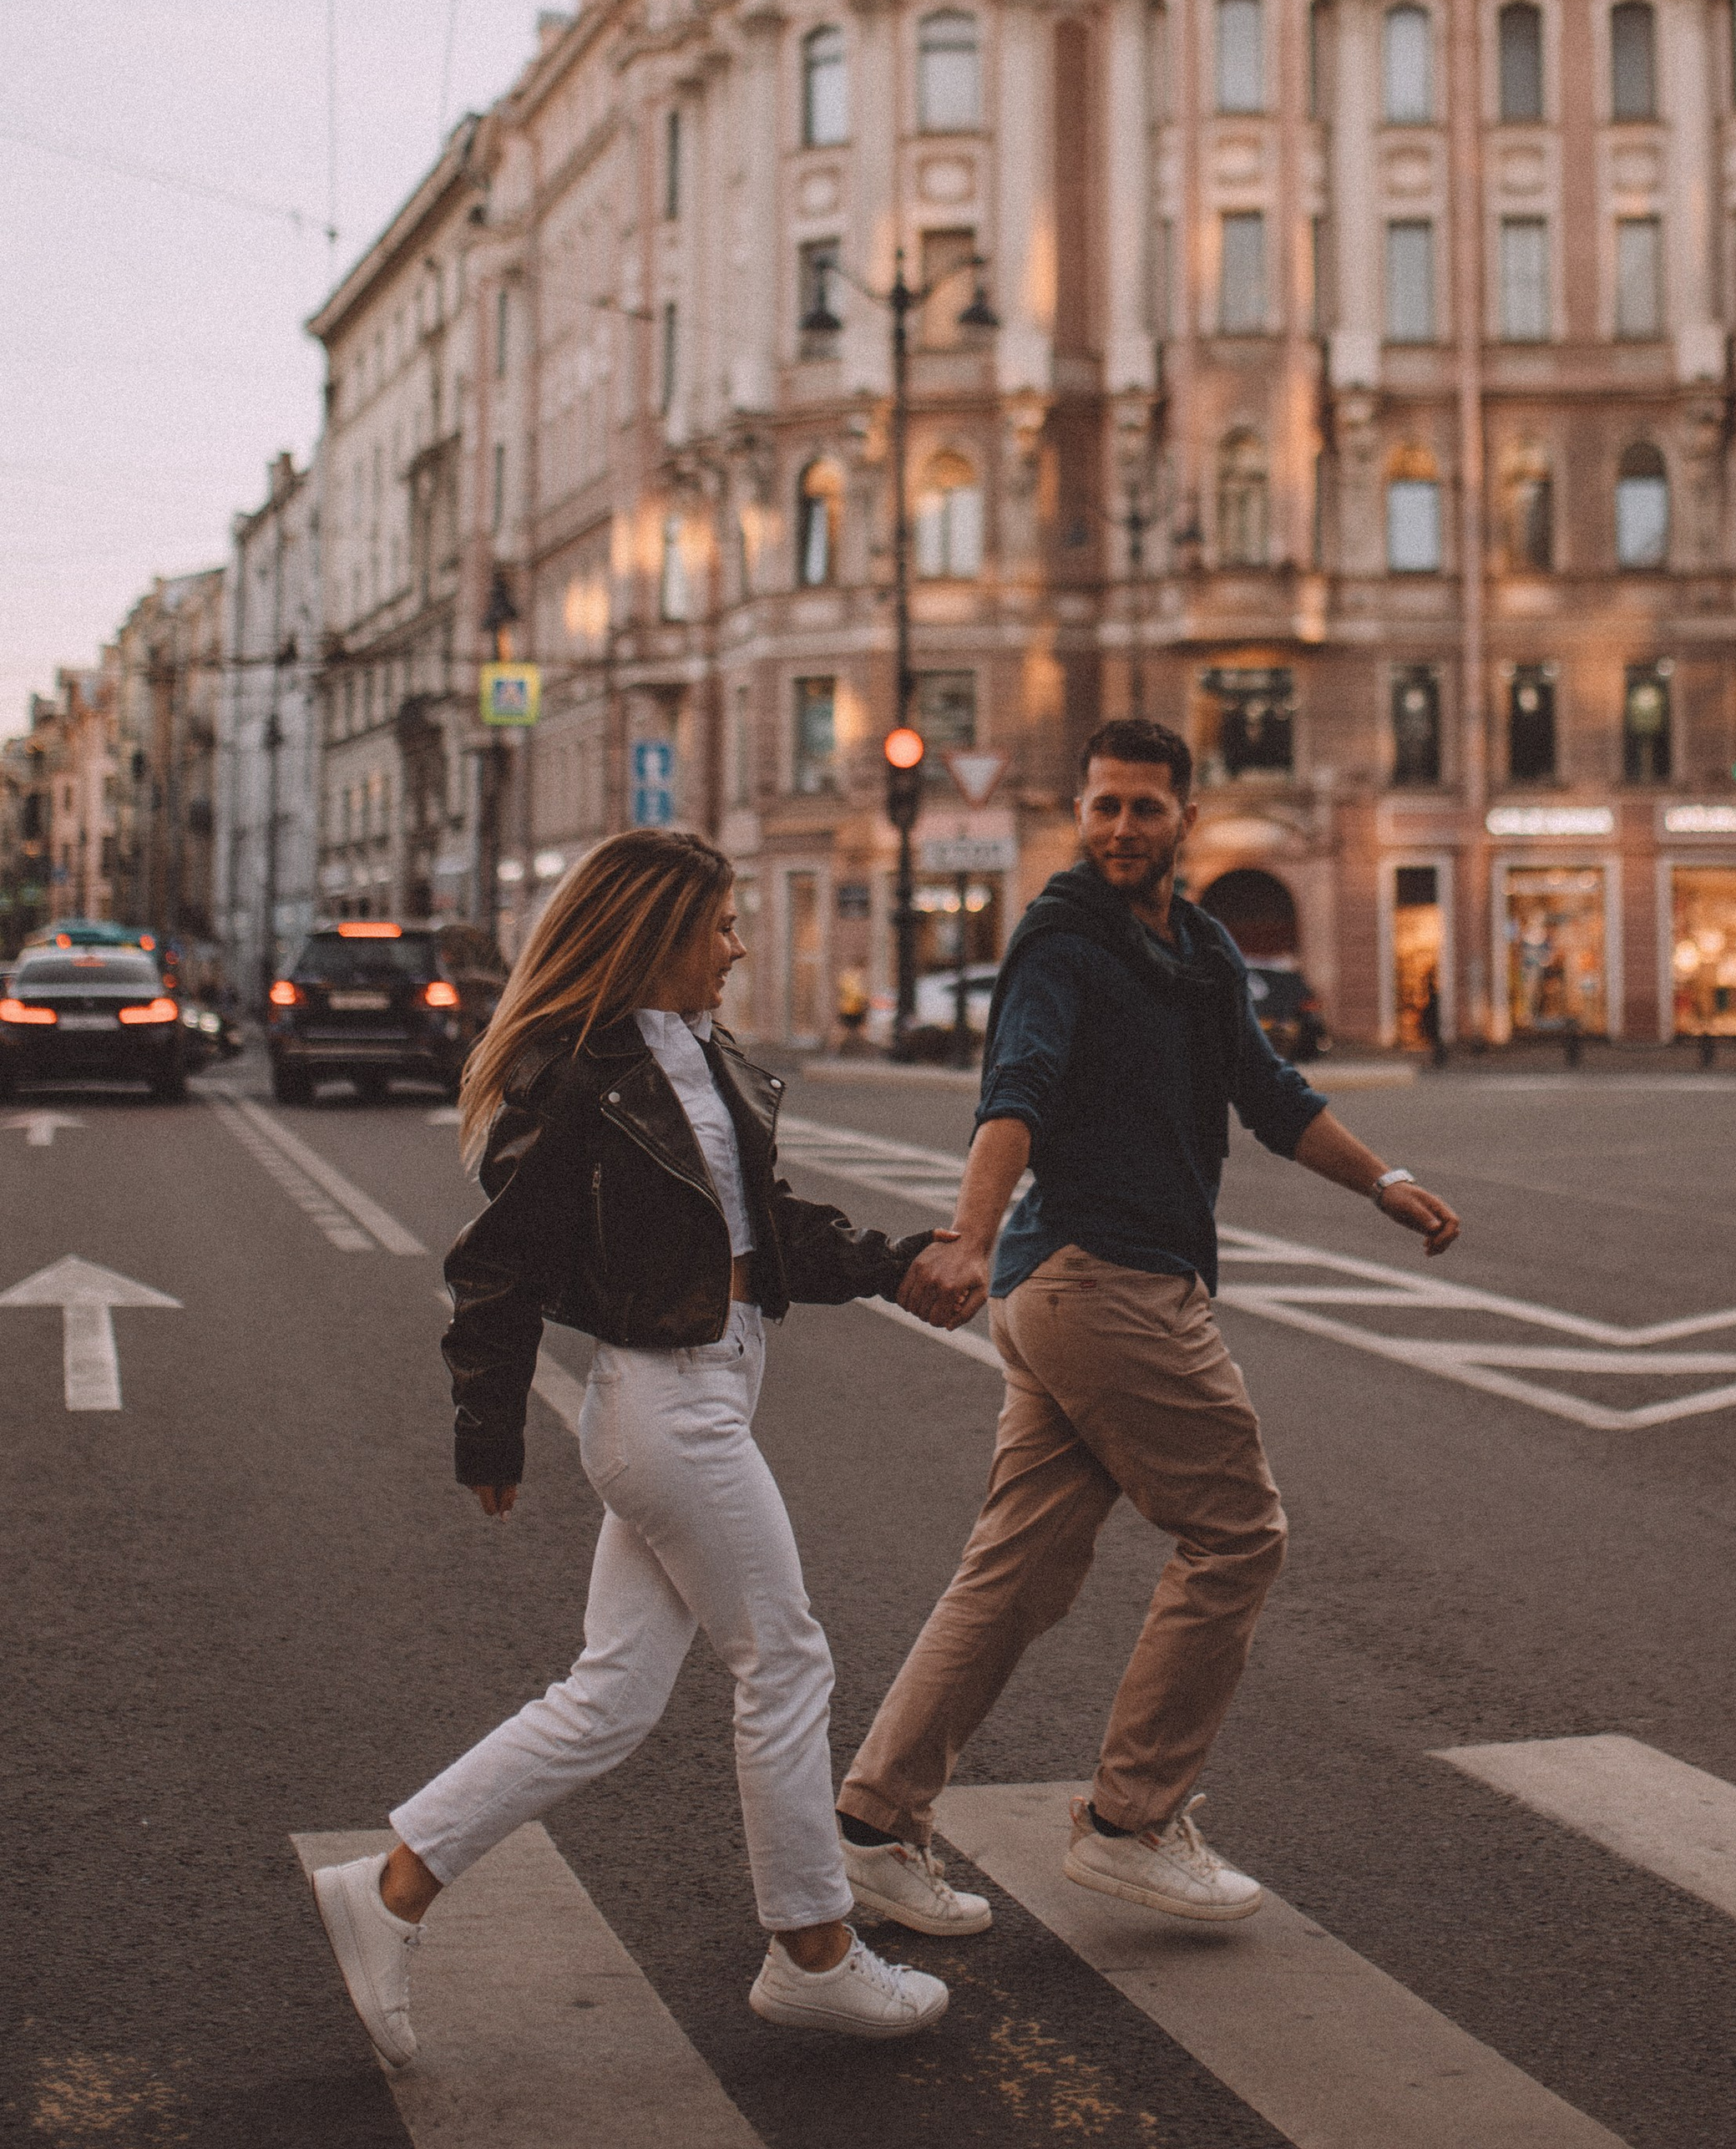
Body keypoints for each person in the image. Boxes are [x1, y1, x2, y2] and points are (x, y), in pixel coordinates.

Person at [308, 828, 954, 2070]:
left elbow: (767, 1238)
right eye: (719, 926)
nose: (738, 947)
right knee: (786, 1660)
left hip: (698, 1396)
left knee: (612, 1697)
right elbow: (497, 1267)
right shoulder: (579, 1077)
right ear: (658, 932)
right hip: (671, 1409)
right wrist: (487, 1430)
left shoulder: (696, 1058)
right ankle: (813, 1950)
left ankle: (388, 1889)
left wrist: (898, 1266)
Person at [833, 717, 1460, 1934]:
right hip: (1103, 1284)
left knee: (1012, 1576)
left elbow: (1271, 1097)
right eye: (1103, 806)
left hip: (1077, 1295)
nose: (1121, 828)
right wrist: (963, 1233)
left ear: (1187, 816)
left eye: (1144, 808)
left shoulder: (1199, 948)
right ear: (1081, 814)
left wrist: (1384, 1184)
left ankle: (870, 1823)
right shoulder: (1062, 942)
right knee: (1238, 1533)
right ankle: (1130, 1821)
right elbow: (1013, 1093)